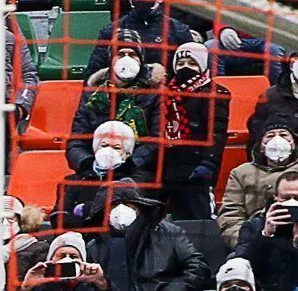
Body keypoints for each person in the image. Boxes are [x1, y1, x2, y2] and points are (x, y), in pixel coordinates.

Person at [153, 40, 226, 221]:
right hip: (168, 169)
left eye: (192, 63)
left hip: (197, 169)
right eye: (181, 63)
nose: (186, 67)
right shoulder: (164, 93)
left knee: (199, 221)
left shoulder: (215, 93)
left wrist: (209, 164)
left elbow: (217, 132)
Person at [216, 125, 298, 248]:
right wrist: (247, 243)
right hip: (253, 240)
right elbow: (230, 215)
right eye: (270, 135)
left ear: (293, 143)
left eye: (283, 134)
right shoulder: (241, 173)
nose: (277, 139)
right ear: (261, 146)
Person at [65, 43, 159, 180]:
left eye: (133, 55)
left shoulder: (154, 95)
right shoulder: (93, 96)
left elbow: (157, 141)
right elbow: (76, 141)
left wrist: (130, 163)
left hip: (137, 170)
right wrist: (88, 163)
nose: (126, 59)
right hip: (95, 166)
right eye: (120, 54)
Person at [54, 119, 154, 235]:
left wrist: (87, 211)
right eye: (104, 145)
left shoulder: (138, 180)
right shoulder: (73, 181)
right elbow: (58, 218)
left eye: (116, 148)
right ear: (95, 148)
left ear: (126, 154)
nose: (109, 151)